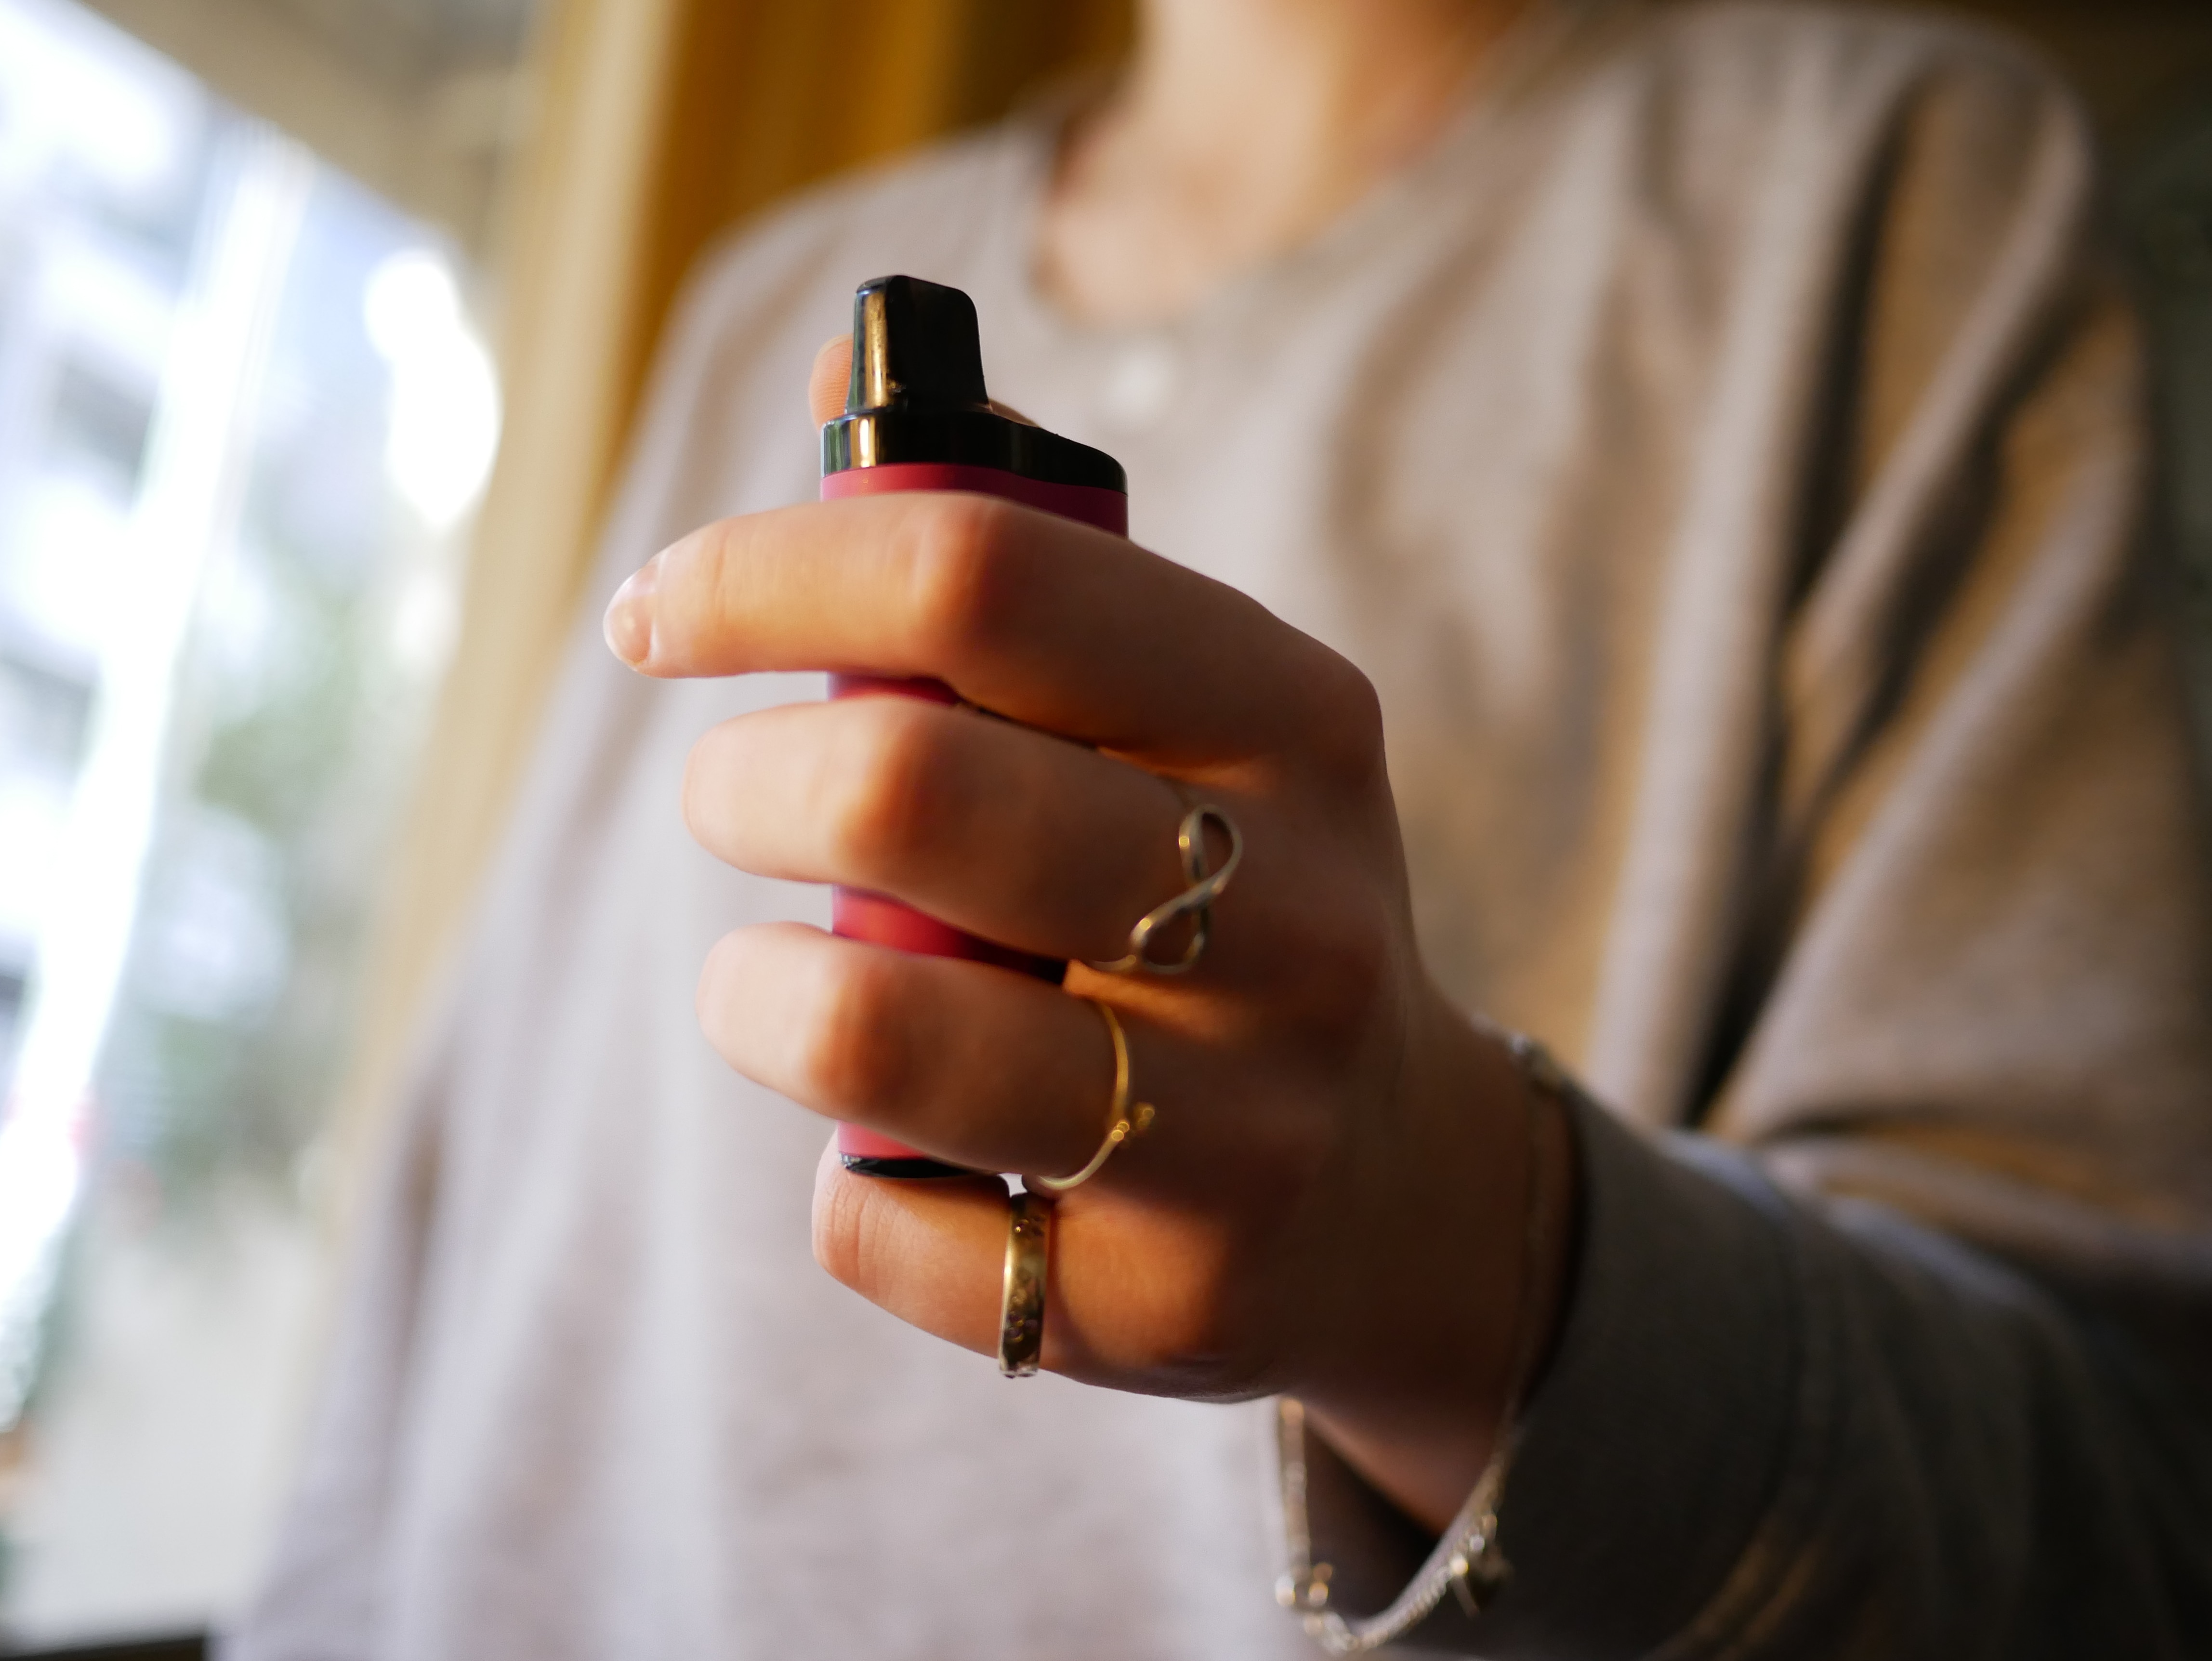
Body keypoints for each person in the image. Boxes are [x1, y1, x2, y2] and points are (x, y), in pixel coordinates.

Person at [237, 0, 2212, 1655]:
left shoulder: (1884, 199)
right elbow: (437, 1263)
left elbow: (2119, 1514)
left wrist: (1469, 1250)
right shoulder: (756, 310)